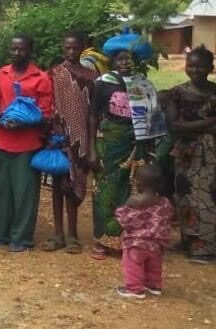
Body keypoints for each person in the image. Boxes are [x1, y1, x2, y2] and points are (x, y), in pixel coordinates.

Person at [87, 33, 161, 259]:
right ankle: (102, 239)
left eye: (129, 58)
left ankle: (130, 240)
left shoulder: (144, 84)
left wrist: (151, 151)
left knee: (133, 190)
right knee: (105, 190)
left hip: (137, 145)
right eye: (120, 58)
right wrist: (92, 149)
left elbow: (153, 119)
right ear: (113, 60)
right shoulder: (103, 83)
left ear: (137, 60)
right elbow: (92, 116)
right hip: (109, 145)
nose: (125, 63)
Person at [0, 34, 53, 252]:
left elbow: (46, 114)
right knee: (0, 192)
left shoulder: (41, 78)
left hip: (27, 145)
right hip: (1, 141)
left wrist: (25, 122)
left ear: (29, 51)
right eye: (14, 49)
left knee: (25, 194)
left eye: (22, 49)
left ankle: (21, 237)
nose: (17, 53)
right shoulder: (2, 73)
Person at [42, 31, 97, 254]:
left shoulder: (92, 76)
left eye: (75, 48)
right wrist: (51, 133)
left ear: (83, 47)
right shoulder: (54, 73)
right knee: (58, 185)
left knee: (74, 186)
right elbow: (48, 104)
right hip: (58, 137)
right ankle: (58, 234)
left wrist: (92, 144)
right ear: (62, 48)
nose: (71, 52)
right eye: (68, 48)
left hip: (81, 138)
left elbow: (93, 112)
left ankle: (73, 235)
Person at [165, 47, 216, 264]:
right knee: (184, 195)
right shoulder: (176, 93)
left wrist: (194, 126)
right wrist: (209, 123)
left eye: (200, 66)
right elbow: (175, 126)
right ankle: (187, 240)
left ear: (211, 68)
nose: (195, 70)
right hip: (185, 153)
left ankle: (205, 247)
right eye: (191, 66)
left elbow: (183, 125)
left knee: (206, 197)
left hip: (211, 154)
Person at [114, 164, 174, 298]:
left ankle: (134, 288)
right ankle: (154, 285)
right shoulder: (164, 202)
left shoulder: (133, 201)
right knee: (154, 266)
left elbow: (125, 220)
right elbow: (168, 216)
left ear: (138, 183)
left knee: (133, 265)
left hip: (136, 244)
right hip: (156, 244)